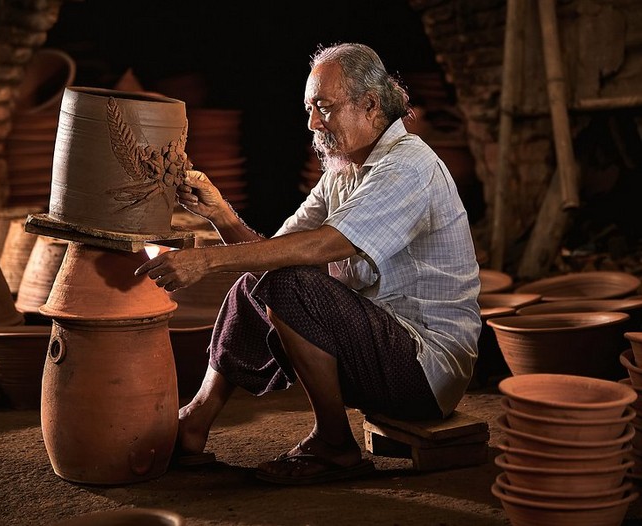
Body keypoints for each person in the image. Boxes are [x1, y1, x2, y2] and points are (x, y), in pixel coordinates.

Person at [134, 42, 481, 485]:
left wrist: (205, 261)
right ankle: (196, 421)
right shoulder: (342, 172)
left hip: (426, 370)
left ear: (370, 104)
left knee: (290, 282)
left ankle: (334, 445)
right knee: (257, 282)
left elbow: (322, 247)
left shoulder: (409, 165)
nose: (313, 122)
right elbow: (275, 252)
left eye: (324, 107)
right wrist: (220, 213)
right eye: (309, 108)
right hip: (380, 350)